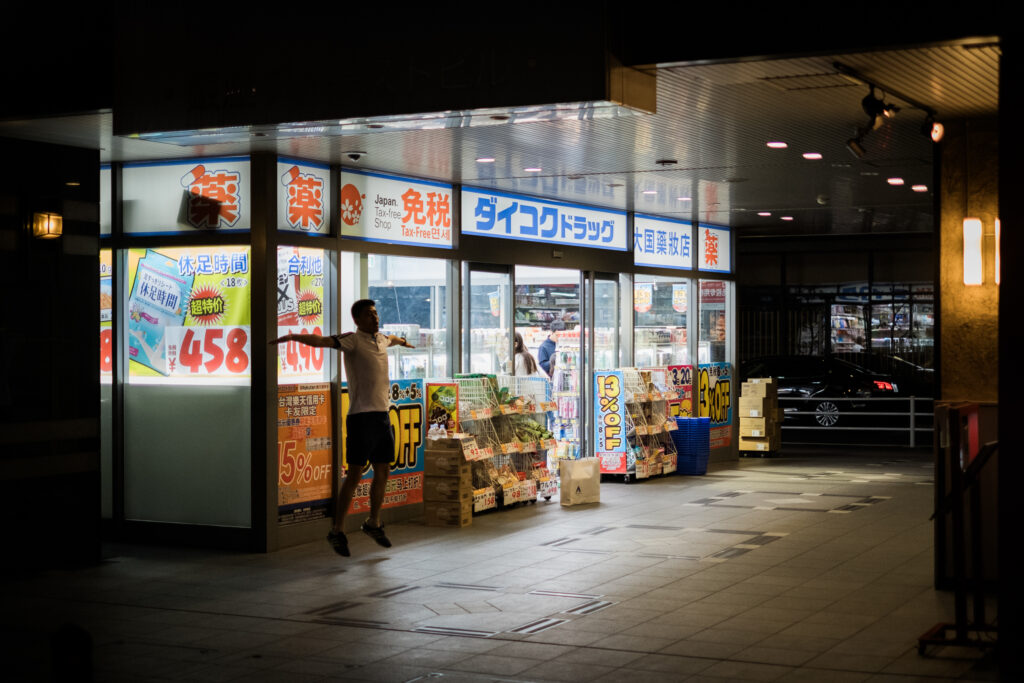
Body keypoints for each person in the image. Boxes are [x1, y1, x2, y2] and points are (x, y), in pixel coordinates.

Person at [270, 299, 414, 558]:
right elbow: (321, 341)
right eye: (369, 315)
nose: (375, 317)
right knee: (355, 475)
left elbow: (392, 339)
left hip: (382, 416)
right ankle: (336, 530)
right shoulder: (352, 340)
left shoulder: (382, 339)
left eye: (375, 313)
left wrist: (403, 341)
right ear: (357, 320)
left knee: (383, 471)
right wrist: (293, 336)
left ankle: (373, 522)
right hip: (361, 418)